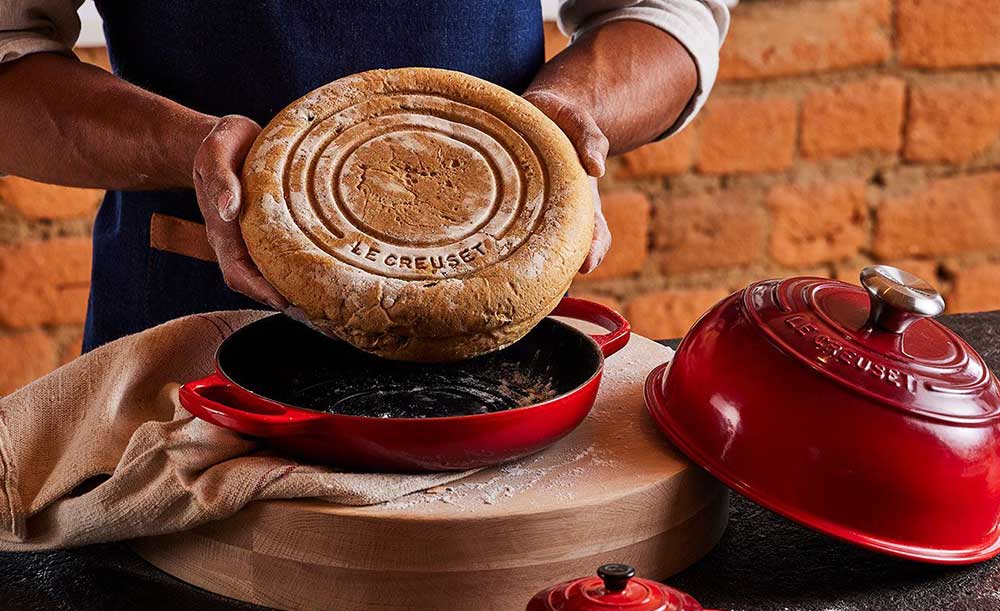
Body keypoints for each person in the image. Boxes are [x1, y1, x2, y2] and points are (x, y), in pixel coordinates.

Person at [0, 1, 730, 352]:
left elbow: (667, 11)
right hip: (184, 331)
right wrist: (192, 145)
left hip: (486, 335)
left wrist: (562, 115)